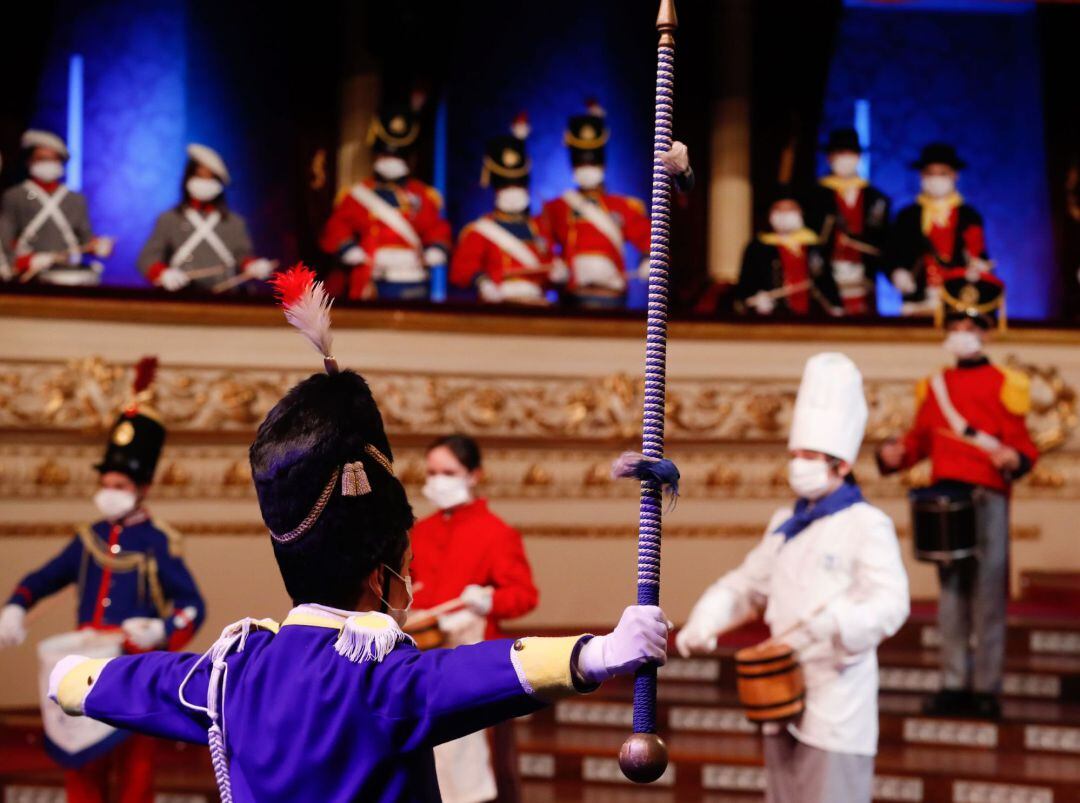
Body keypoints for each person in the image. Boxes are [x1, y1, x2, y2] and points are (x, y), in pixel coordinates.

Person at [47, 265, 669, 803]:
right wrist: (603, 653)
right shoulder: (379, 678)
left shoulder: (231, 674)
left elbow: (139, 685)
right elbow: (477, 674)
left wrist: (71, 680)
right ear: (380, 575)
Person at [677, 352, 909, 803]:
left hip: (837, 700)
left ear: (841, 464)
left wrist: (835, 622)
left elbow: (892, 603)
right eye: (795, 454)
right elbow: (747, 585)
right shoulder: (786, 522)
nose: (798, 463)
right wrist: (707, 618)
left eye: (810, 455)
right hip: (779, 695)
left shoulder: (867, 523)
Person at [0, 357, 205, 803]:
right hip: (87, 665)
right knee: (82, 764)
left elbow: (192, 605)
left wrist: (162, 630)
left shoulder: (158, 543)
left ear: (141, 487)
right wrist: (17, 603)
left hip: (135, 669)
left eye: (119, 483)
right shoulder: (89, 538)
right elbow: (45, 577)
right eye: (106, 481)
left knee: (135, 770)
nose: (108, 490)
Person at [877, 271, 1037, 719]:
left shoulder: (1006, 383)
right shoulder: (934, 387)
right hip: (946, 496)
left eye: (970, 327)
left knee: (988, 591)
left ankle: (986, 686)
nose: (961, 335)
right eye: (956, 327)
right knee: (950, 597)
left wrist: (1014, 459)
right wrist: (893, 455)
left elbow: (1024, 446)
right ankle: (953, 682)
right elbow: (919, 442)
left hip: (987, 496)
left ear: (985, 330)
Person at [410, 433, 539, 803]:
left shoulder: (497, 533)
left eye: (448, 471)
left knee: (465, 765)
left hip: (471, 656)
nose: (437, 480)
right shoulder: (421, 531)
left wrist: (489, 601)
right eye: (432, 472)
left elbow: (524, 596)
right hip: (422, 653)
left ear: (474, 474)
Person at [541, 99, 694, 309]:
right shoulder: (556, 208)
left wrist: (649, 259)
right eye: (581, 162)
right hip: (572, 297)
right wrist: (553, 266)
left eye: (592, 161)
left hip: (613, 297)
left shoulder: (622, 206)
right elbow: (541, 245)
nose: (587, 167)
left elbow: (650, 237)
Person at [320, 104, 452, 301]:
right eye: (386, 155)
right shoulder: (357, 194)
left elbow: (435, 228)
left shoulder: (422, 195)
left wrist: (437, 248)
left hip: (410, 275)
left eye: (398, 156)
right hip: (371, 274)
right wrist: (347, 247)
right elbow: (337, 225)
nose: (392, 161)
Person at [450, 115, 560, 306]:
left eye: (518, 186)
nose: (513, 192)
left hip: (536, 305)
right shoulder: (480, 230)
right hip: (499, 307)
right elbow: (461, 269)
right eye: (506, 187)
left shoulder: (540, 227)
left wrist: (559, 273)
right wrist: (482, 282)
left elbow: (548, 268)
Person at [137, 143, 275, 293]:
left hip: (225, 298)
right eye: (199, 175)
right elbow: (147, 258)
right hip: (181, 297)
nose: (203, 181)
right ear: (188, 177)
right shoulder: (169, 219)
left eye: (209, 177)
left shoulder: (234, 222)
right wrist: (163, 273)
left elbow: (243, 255)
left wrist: (252, 266)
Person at [0, 129, 114, 286]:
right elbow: (3, 242)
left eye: (53, 159)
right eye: (42, 159)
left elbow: (86, 239)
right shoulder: (16, 196)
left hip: (68, 274)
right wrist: (27, 260)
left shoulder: (75, 199)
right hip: (31, 277)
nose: (48, 164)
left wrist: (98, 246)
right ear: (30, 162)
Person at [888, 144, 989, 316]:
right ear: (921, 175)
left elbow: (978, 253)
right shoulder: (907, 216)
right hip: (918, 301)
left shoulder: (969, 216)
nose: (936, 179)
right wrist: (896, 273)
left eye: (942, 173)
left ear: (954, 175)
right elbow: (892, 255)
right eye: (930, 173)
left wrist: (980, 267)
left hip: (958, 301)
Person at [805, 128, 890, 315]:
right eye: (839, 154)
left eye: (850, 154)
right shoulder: (813, 197)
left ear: (859, 157)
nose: (845, 159)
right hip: (825, 278)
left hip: (863, 279)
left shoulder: (876, 199)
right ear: (829, 158)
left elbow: (884, 242)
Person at [736, 189, 843, 316]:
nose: (784, 215)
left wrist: (835, 305)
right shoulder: (758, 247)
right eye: (779, 210)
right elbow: (746, 284)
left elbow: (825, 279)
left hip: (812, 314)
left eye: (790, 210)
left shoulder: (813, 245)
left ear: (800, 213)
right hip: (774, 316)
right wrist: (756, 297)